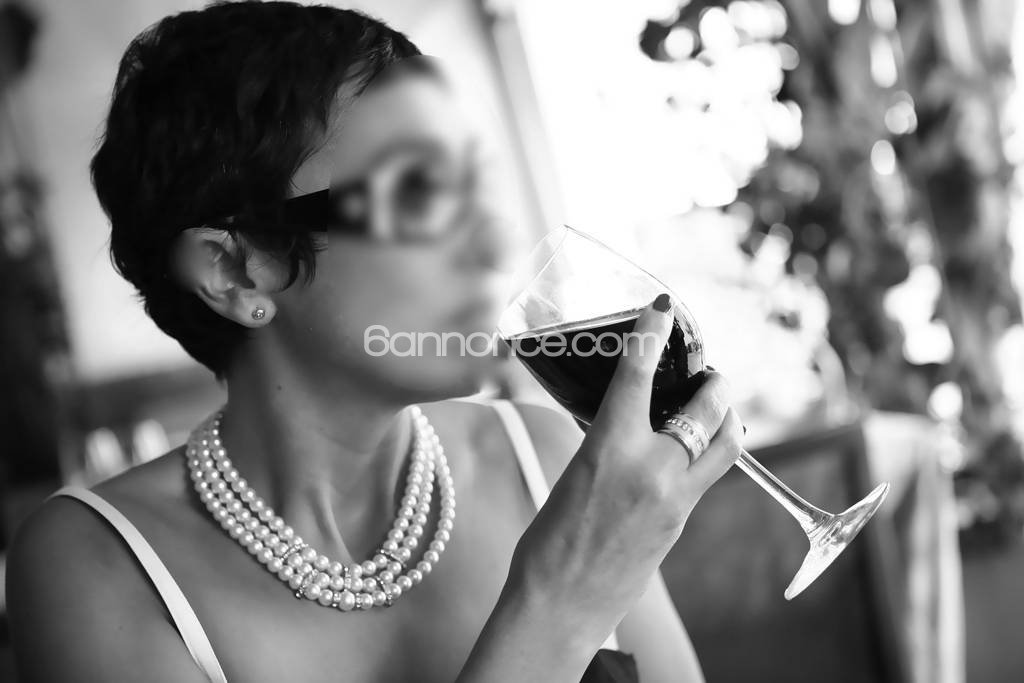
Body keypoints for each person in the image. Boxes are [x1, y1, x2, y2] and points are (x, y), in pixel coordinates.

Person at [5, 2, 743, 681]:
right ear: (234, 270)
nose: (492, 240)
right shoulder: (93, 566)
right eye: (415, 195)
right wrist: (559, 604)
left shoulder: (547, 460)